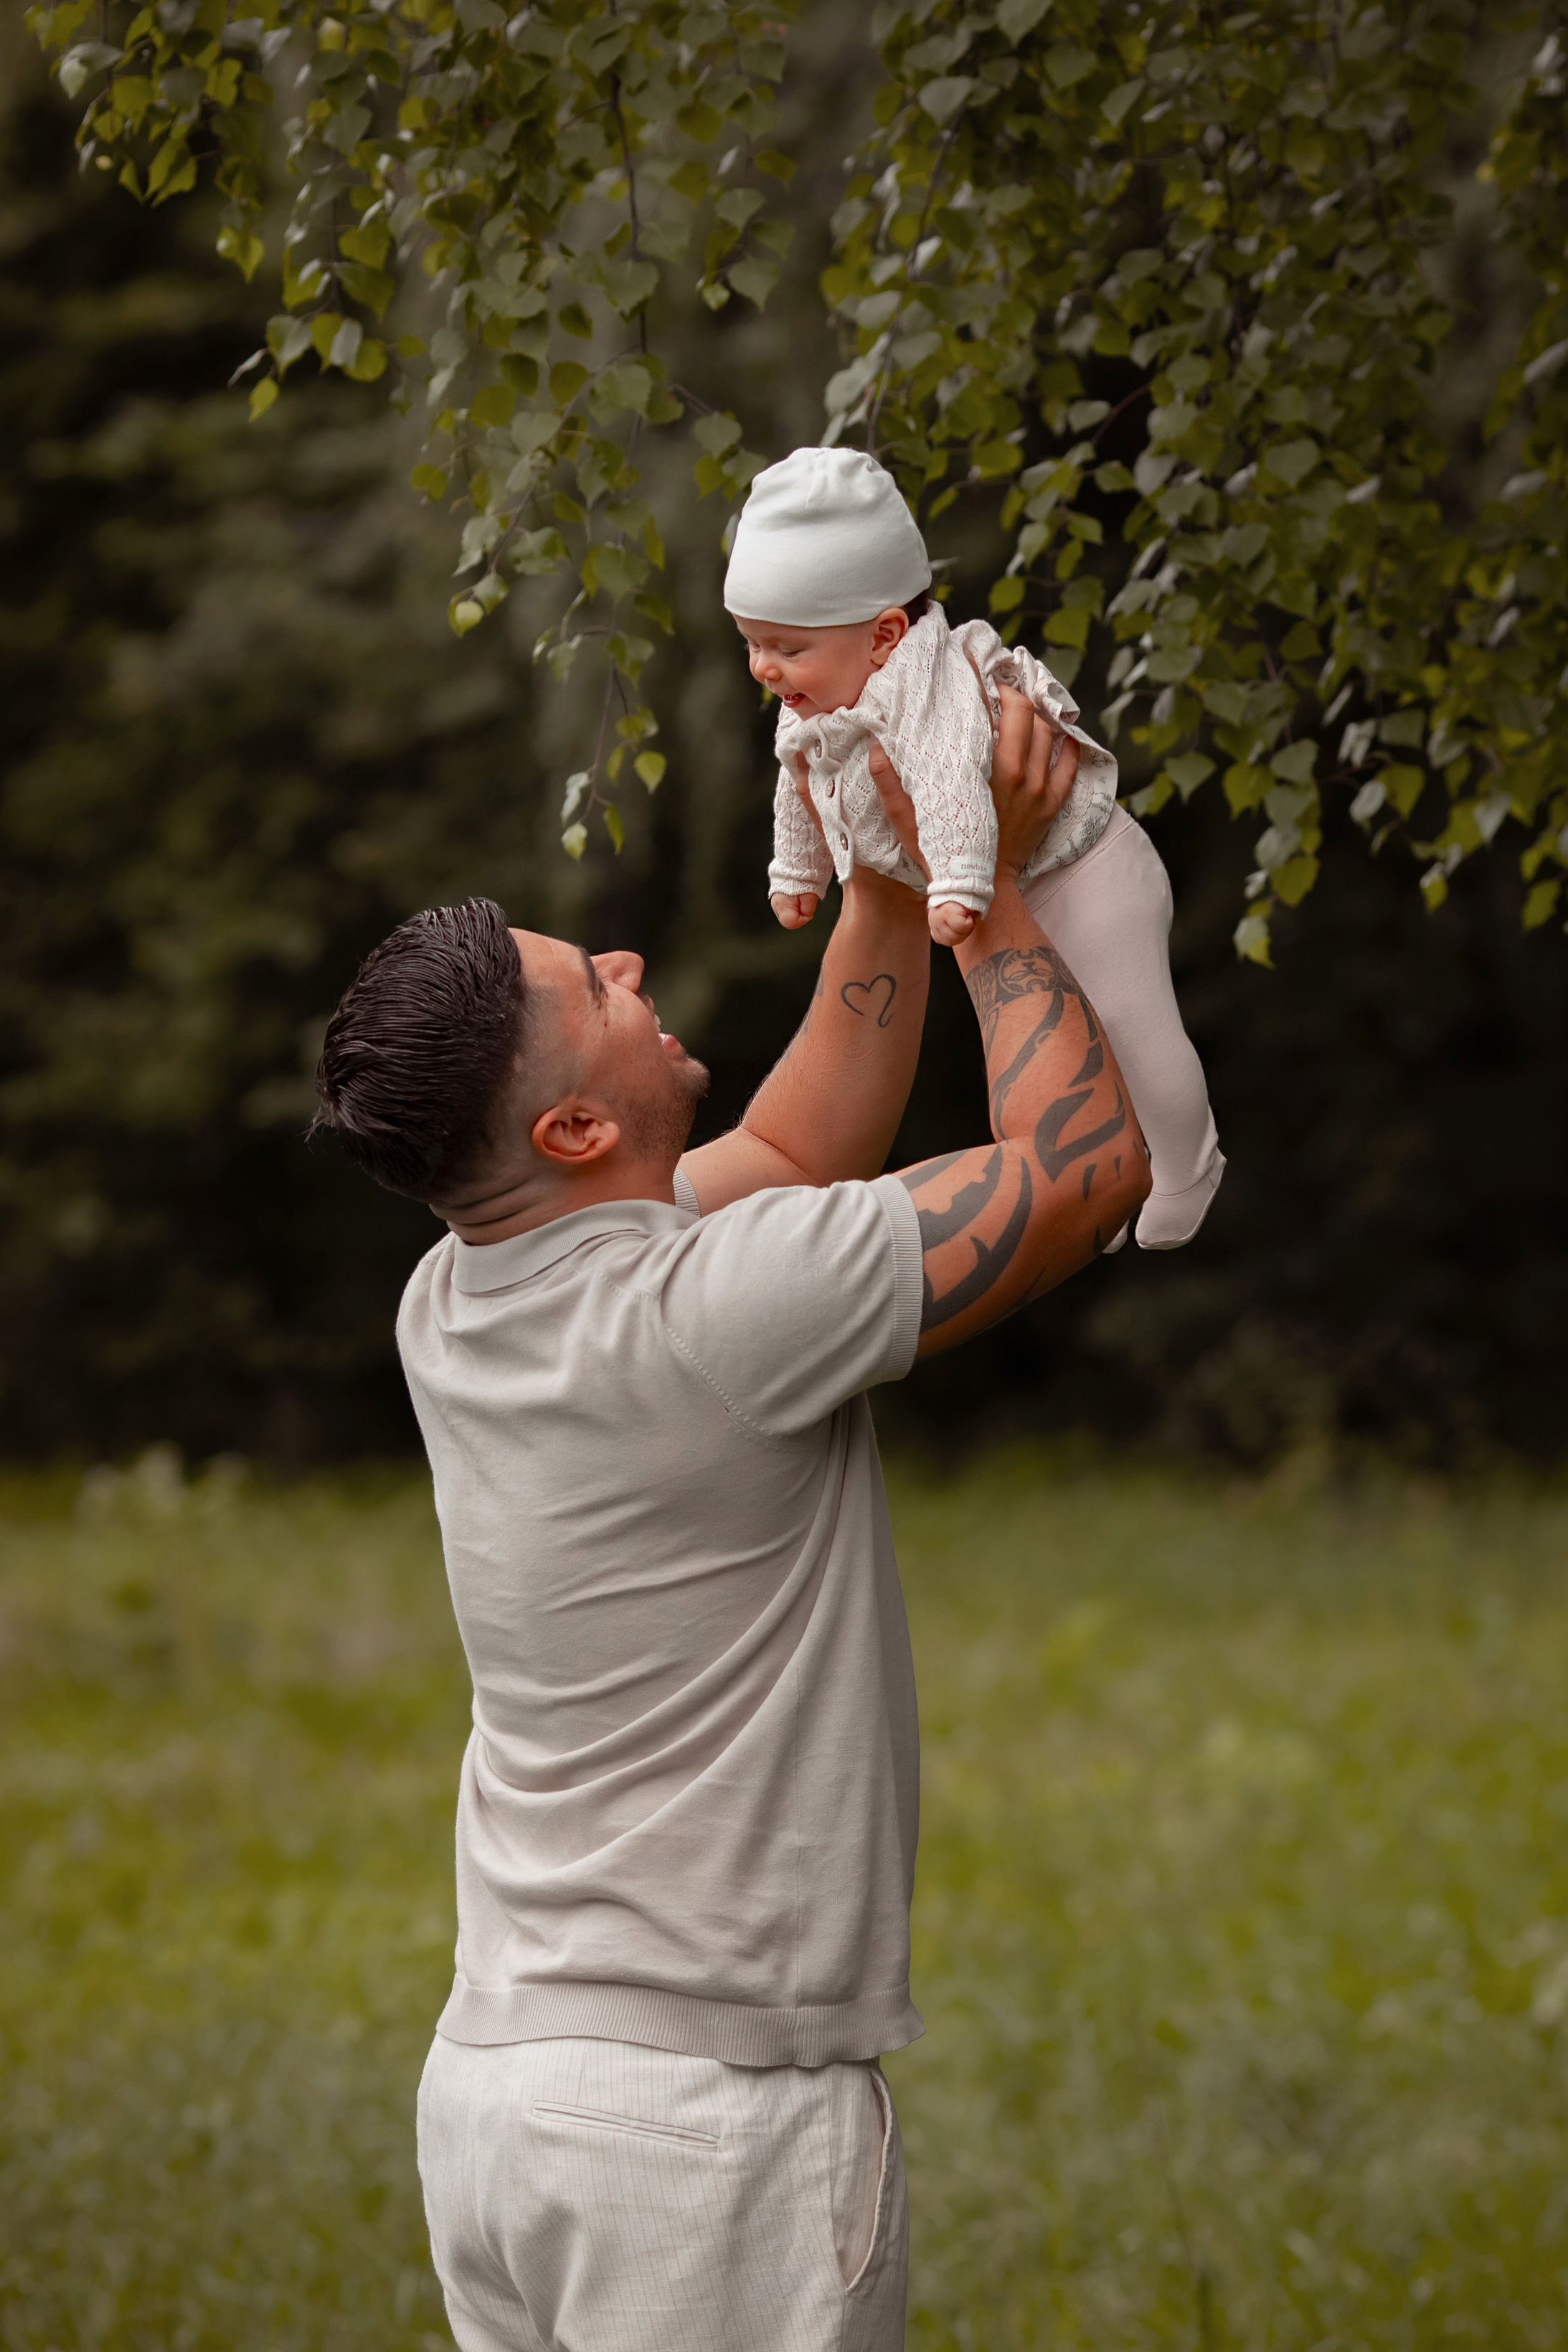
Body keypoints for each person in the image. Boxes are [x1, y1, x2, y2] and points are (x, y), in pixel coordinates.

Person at [311, 695, 1152, 2352]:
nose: (625, 965)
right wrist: (984, 875)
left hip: (501, 2097)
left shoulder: (457, 1296)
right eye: (591, 988)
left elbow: (791, 1144)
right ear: (569, 1130)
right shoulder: (717, 1311)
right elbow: (1083, 1171)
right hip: (704, 2134)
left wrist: (884, 872)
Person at [724, 443, 1223, 1251]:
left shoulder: (938, 689)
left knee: (1132, 1029)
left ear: (884, 635)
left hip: (1087, 871)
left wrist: (958, 880)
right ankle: (1106, 1180)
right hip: (1014, 886)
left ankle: (1188, 1163)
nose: (763, 668)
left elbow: (953, 777)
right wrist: (798, 868)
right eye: (751, 643)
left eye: (784, 647)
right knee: (1072, 1045)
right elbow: (799, 778)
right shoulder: (820, 697)